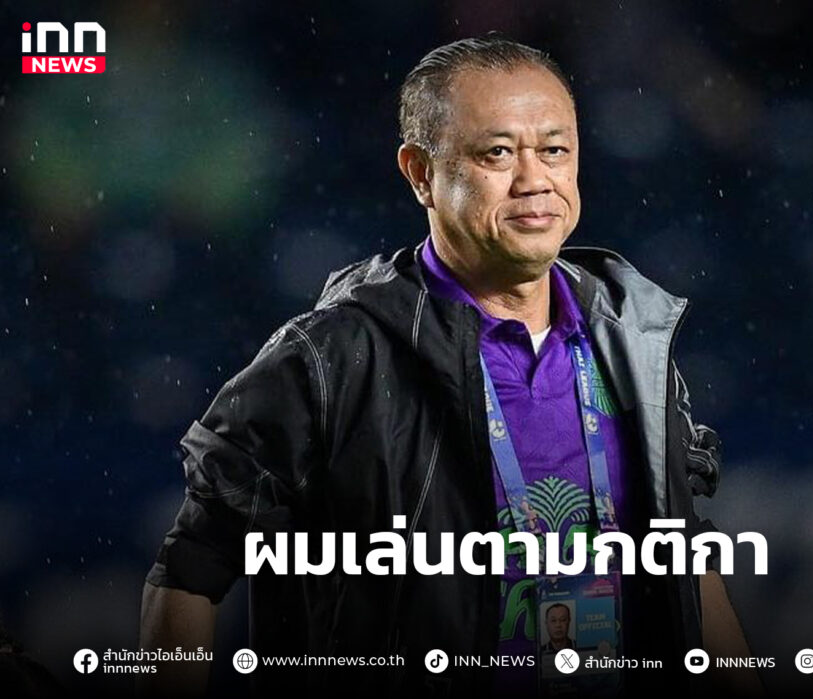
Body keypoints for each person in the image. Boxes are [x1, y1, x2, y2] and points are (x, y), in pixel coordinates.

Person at [139, 35, 761, 697]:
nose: (535, 180)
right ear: (420, 173)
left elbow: (685, 552)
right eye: (497, 153)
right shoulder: (329, 357)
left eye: (555, 150)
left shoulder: (633, 337)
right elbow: (189, 573)